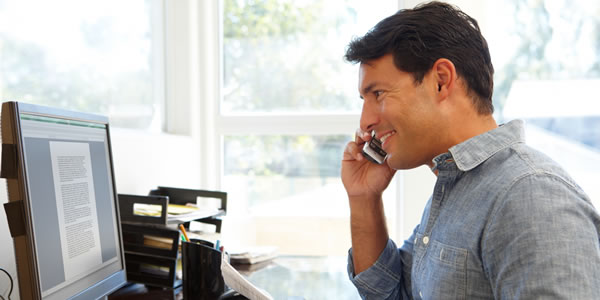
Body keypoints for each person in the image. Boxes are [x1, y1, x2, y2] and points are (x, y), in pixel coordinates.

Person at [341, 1, 600, 299]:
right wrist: (364, 199)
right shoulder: (456, 192)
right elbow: (392, 295)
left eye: (378, 93)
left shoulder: (530, 196)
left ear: (441, 81)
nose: (366, 121)